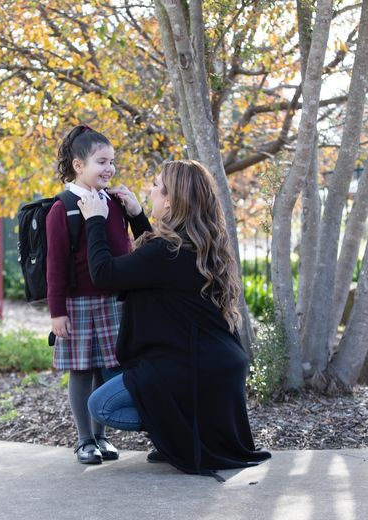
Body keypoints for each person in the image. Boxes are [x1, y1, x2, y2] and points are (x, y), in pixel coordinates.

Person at [78, 159, 272, 480]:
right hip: (216, 364)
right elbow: (156, 268)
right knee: (129, 376)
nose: (150, 190)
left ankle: (174, 432)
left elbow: (105, 273)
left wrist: (94, 220)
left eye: (156, 185)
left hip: (192, 367)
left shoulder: (167, 252)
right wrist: (138, 216)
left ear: (170, 200)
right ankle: (177, 430)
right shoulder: (199, 244)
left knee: (101, 405)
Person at [46, 124, 137, 465]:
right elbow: (54, 267)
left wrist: (133, 212)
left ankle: (102, 437)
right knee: (82, 371)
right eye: (101, 161)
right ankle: (84, 440)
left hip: (112, 301)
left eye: (112, 161)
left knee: (106, 368)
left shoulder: (113, 203)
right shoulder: (64, 207)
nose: (109, 168)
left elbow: (125, 248)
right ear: (78, 165)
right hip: (78, 304)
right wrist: (57, 313)